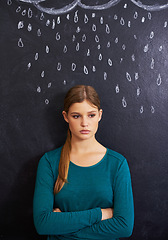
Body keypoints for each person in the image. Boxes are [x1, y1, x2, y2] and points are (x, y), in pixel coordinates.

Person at [33, 85, 134, 240]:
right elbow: (43, 224)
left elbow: (124, 227)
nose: (84, 123)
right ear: (66, 116)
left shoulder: (117, 164)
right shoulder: (49, 162)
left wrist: (62, 227)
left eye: (91, 115)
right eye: (76, 116)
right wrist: (101, 213)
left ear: (100, 115)